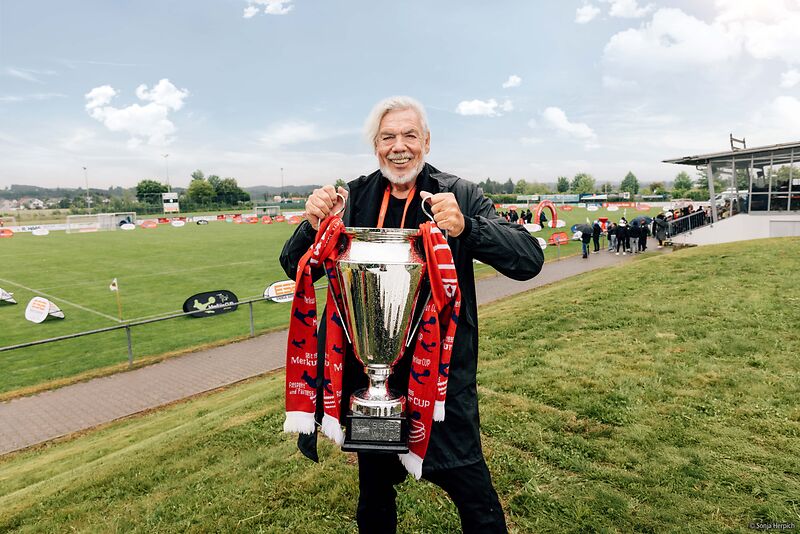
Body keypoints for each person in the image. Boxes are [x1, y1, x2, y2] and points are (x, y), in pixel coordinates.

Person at [280, 96, 544, 534]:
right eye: (388, 137)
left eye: (409, 135)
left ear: (427, 142)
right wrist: (312, 223)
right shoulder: (353, 197)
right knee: (374, 494)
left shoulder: (459, 194)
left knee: (473, 493)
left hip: (440, 381)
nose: (399, 146)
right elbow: (294, 265)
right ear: (376, 145)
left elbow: (528, 260)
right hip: (370, 381)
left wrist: (467, 227)